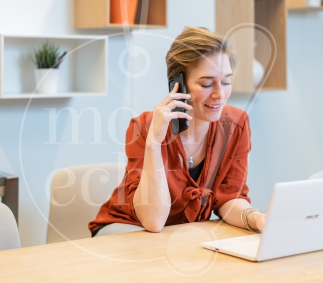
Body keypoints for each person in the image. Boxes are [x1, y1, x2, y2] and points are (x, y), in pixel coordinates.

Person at [89, 26, 266, 237]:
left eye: (226, 81)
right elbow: (153, 222)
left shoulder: (236, 124)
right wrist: (154, 143)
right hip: (128, 228)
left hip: (178, 235)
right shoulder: (143, 127)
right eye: (207, 84)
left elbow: (228, 198)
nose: (220, 94)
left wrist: (257, 218)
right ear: (178, 86)